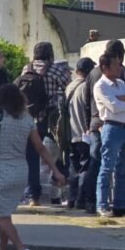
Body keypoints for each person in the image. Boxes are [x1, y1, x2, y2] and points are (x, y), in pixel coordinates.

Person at [0, 85, 66, 250]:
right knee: (5, 214)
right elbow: (39, 147)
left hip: (0, 169)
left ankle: (21, 249)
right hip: (21, 170)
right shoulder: (27, 120)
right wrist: (56, 171)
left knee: (1, 216)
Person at [84, 40, 125, 211]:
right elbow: (114, 107)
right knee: (106, 167)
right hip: (111, 127)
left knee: (122, 168)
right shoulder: (101, 85)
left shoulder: (121, 83)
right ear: (106, 67)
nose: (120, 68)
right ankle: (101, 204)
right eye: (117, 65)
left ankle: (121, 203)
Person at [19, 41, 72, 206]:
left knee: (32, 157)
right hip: (51, 119)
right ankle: (55, 192)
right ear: (50, 54)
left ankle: (32, 195)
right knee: (56, 154)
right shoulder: (55, 69)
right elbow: (68, 86)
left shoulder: (26, 68)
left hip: (30, 117)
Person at [64, 58, 96, 212]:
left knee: (73, 168)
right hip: (84, 133)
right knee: (85, 168)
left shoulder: (70, 86)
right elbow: (88, 109)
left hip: (71, 133)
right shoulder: (86, 87)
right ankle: (81, 200)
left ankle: (71, 198)